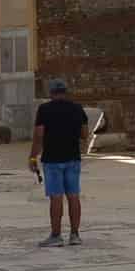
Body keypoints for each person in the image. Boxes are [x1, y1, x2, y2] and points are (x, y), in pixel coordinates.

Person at [28, 79, 90, 248]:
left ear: (51, 93)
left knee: (56, 198)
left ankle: (56, 236)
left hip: (52, 159)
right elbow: (84, 134)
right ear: (66, 92)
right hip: (73, 158)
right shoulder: (77, 108)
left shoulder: (45, 109)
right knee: (73, 196)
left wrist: (33, 157)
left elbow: (39, 136)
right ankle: (75, 235)